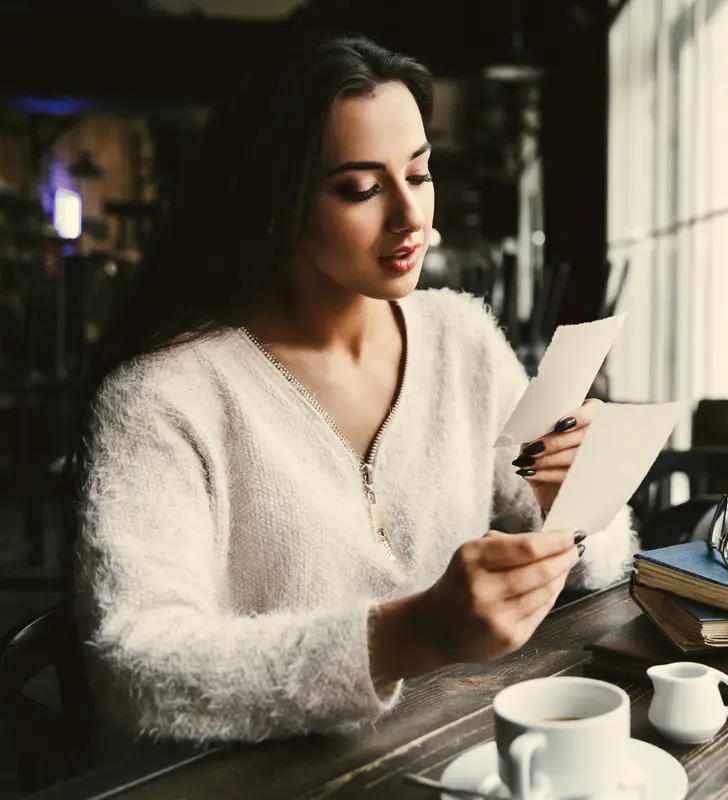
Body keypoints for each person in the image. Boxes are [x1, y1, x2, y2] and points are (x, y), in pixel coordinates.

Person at [69, 33, 637, 751]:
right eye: (361, 188)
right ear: (277, 201)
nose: (410, 217)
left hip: (450, 750)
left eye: (420, 174)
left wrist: (581, 499)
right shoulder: (164, 397)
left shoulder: (462, 338)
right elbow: (135, 666)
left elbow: (598, 561)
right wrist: (407, 634)